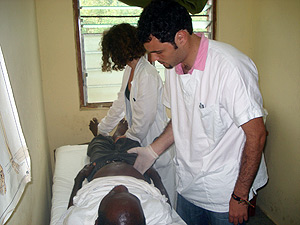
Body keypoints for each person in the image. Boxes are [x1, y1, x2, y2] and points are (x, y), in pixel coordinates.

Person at [128, 1, 268, 225]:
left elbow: (257, 134)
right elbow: (182, 120)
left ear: (181, 38)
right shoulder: (172, 66)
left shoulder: (229, 67)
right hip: (188, 187)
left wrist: (240, 196)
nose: (153, 59)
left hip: (226, 192)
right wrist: (152, 151)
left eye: (157, 51)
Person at [89, 23, 176, 206]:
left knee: (165, 201)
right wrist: (102, 130)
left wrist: (122, 141)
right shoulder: (131, 70)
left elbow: (143, 122)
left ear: (121, 49)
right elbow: (121, 102)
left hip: (155, 145)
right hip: (139, 143)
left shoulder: (148, 75)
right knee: (145, 197)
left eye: (112, 51)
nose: (111, 56)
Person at [57, 120, 185, 225]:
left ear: (96, 222)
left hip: (100, 166)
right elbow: (166, 205)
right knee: (129, 141)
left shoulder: (81, 219)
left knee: (96, 145)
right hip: (134, 165)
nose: (120, 186)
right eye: (128, 193)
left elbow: (69, 211)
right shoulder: (156, 214)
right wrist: (154, 175)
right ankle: (118, 136)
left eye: (112, 193)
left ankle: (99, 135)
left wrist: (79, 178)